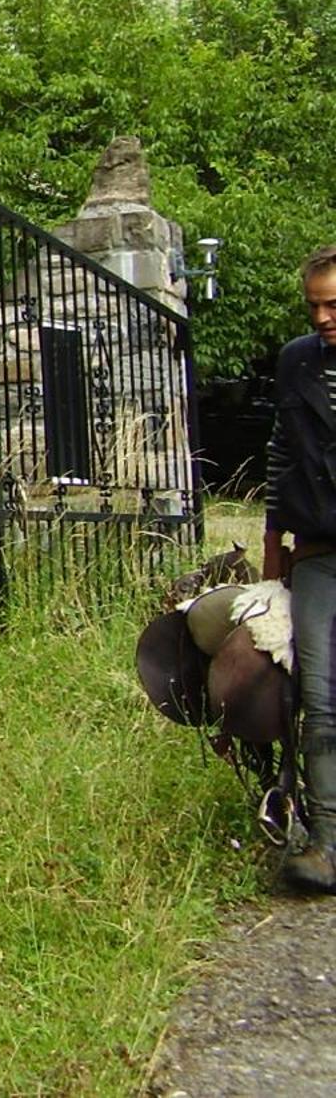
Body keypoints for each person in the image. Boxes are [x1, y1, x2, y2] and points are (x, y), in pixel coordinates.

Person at [264, 243, 336, 892]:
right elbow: (282, 453)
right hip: (317, 552)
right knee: (319, 698)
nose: (321, 317)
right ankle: (328, 845)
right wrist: (270, 546)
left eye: (333, 304)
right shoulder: (296, 364)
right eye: (313, 304)